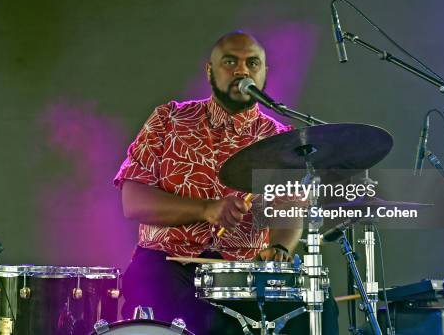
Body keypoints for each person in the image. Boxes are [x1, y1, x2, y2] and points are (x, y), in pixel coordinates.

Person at [114, 31, 339, 334]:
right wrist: (206, 209)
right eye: (230, 62)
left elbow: (288, 210)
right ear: (210, 71)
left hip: (243, 273)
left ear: (264, 74)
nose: (242, 71)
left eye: (252, 64)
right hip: (167, 263)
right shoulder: (169, 120)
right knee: (162, 290)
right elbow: (133, 201)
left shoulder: (280, 139)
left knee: (318, 304)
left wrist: (280, 248)